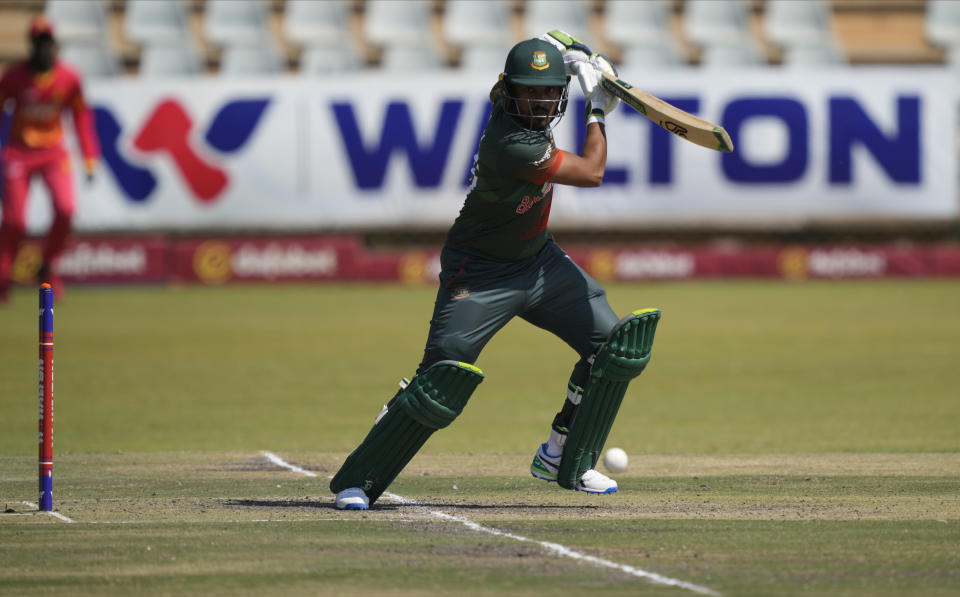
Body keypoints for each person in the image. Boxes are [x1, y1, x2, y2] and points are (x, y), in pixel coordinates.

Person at [330, 32, 661, 510]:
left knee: (613, 346)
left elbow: (525, 79)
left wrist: (571, 64)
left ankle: (562, 454)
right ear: (509, 91)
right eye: (531, 91)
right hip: (480, 273)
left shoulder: (507, 98)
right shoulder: (511, 142)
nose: (541, 102)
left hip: (539, 260)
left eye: (549, 92)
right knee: (441, 377)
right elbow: (591, 172)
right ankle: (361, 477)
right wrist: (598, 108)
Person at [0, 15, 99, 304]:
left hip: (54, 152)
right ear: (31, 46)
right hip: (18, 152)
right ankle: (3, 276)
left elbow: (81, 115)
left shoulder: (70, 78)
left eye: (48, 43)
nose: (44, 49)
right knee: (16, 221)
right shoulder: (13, 77)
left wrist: (90, 156)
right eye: (39, 43)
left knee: (66, 209)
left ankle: (48, 265)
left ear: (55, 45)